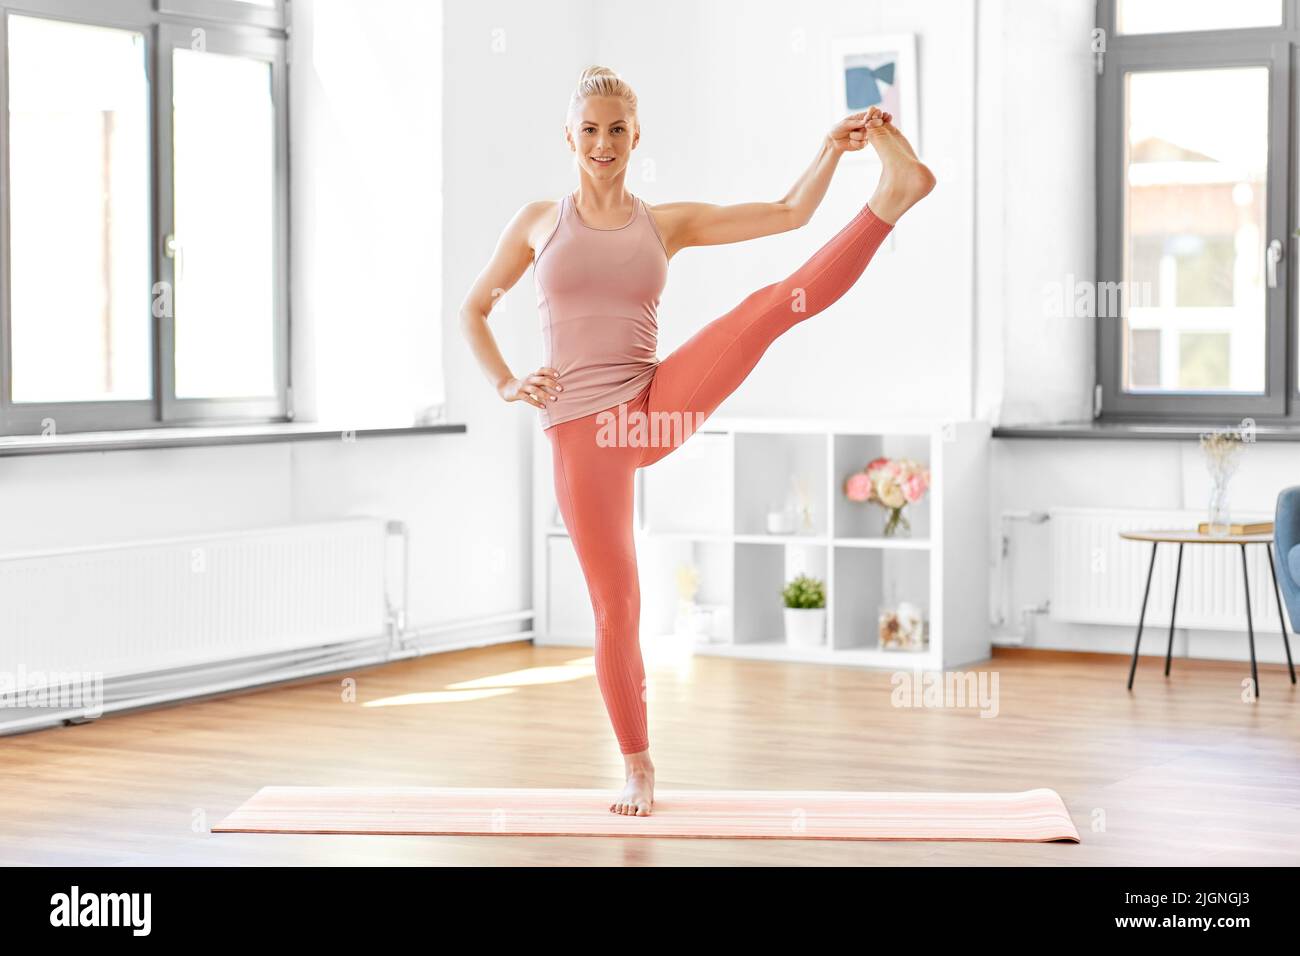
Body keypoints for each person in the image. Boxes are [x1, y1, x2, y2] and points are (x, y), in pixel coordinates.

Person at [460, 66, 935, 816]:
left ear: (636, 135)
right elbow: (475, 309)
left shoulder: (664, 222)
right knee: (617, 604)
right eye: (590, 129)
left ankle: (892, 197)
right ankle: (639, 767)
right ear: (569, 136)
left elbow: (786, 213)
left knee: (767, 308)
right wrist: (507, 383)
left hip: (651, 406)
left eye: (617, 128)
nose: (604, 142)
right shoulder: (536, 222)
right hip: (585, 435)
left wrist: (830, 151)